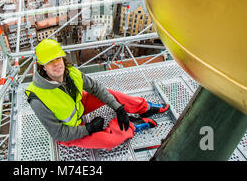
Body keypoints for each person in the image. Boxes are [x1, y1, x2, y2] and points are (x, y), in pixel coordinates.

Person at [25, 39, 170, 150]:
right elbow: (58, 133)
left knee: (109, 94)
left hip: (79, 107)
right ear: (43, 66)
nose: (56, 64)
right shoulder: (37, 98)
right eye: (50, 62)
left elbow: (96, 88)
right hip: (69, 132)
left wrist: (118, 108)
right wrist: (89, 129)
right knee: (109, 141)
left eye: (58, 58)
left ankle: (144, 107)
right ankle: (132, 125)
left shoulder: (71, 72)